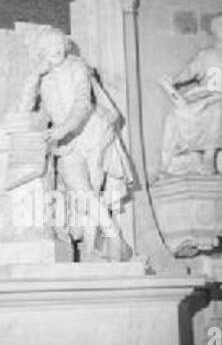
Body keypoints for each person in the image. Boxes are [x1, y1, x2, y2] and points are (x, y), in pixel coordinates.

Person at [15, 28, 134, 260]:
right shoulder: (43, 76)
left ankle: (96, 250)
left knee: (90, 196)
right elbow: (24, 108)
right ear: (43, 52)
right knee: (83, 193)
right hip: (67, 144)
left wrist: (60, 130)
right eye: (50, 47)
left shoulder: (76, 66)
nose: (57, 50)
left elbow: (83, 104)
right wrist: (34, 76)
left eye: (59, 45)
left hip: (92, 135)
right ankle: (115, 238)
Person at [158, 12, 222, 176]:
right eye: (221, 26)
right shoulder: (206, 55)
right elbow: (190, 71)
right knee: (182, 112)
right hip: (207, 98)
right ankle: (193, 153)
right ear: (213, 31)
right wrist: (173, 80)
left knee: (217, 109)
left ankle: (209, 157)